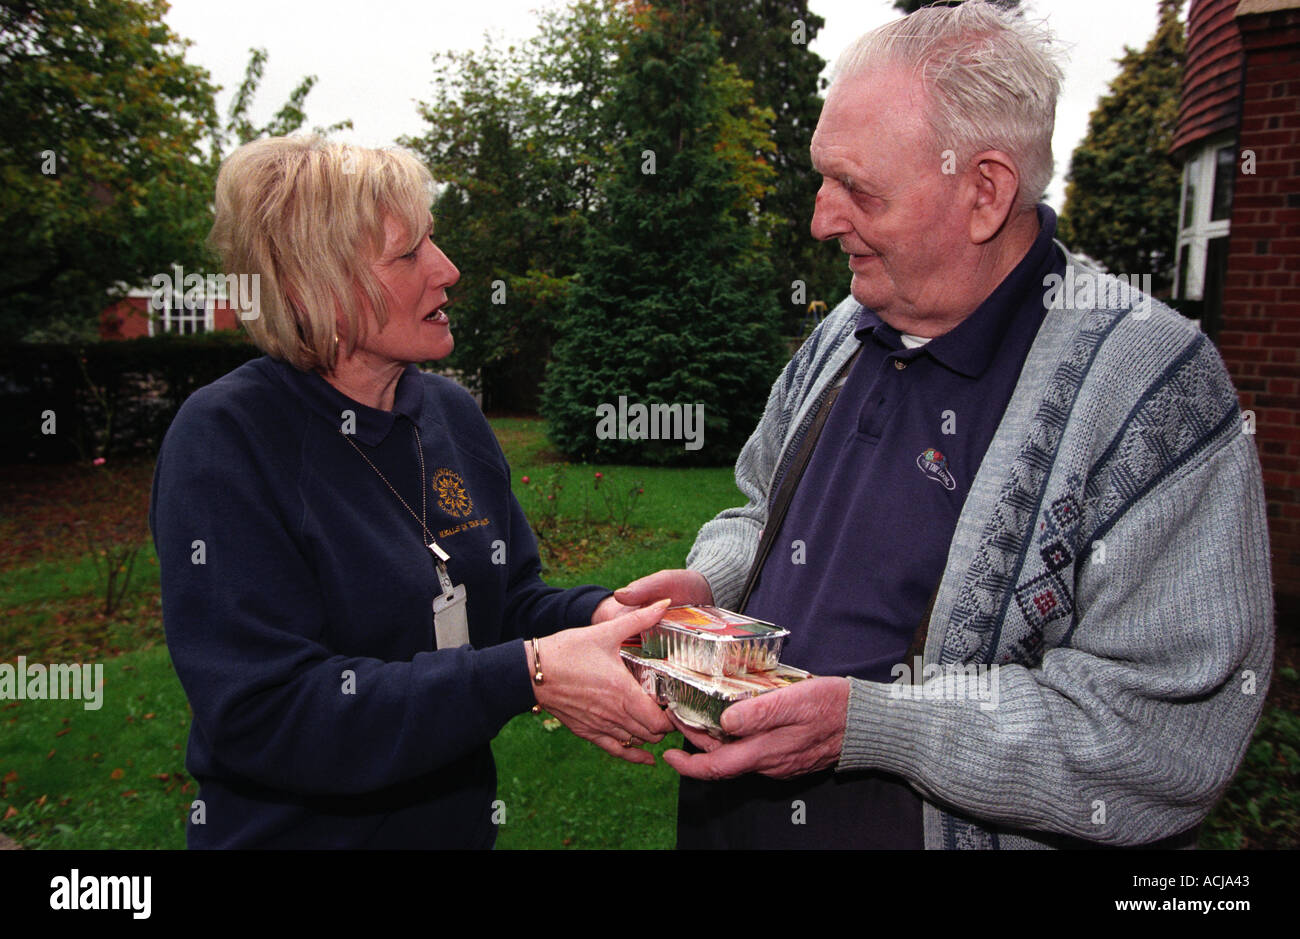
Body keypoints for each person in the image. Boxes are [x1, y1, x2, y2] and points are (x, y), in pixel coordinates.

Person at [614, 1, 1274, 848]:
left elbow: (1163, 737)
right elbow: (757, 512)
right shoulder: (842, 331)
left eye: (856, 187)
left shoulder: (1151, 385)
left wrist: (874, 726)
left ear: (985, 192)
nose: (820, 218)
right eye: (823, 178)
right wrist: (713, 590)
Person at [149, 135, 672, 849]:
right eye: (409, 253)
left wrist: (606, 614)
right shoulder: (227, 438)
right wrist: (529, 673)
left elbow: (509, 601)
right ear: (313, 286)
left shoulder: (448, 412)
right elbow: (268, 711)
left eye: (436, 242)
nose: (448, 270)